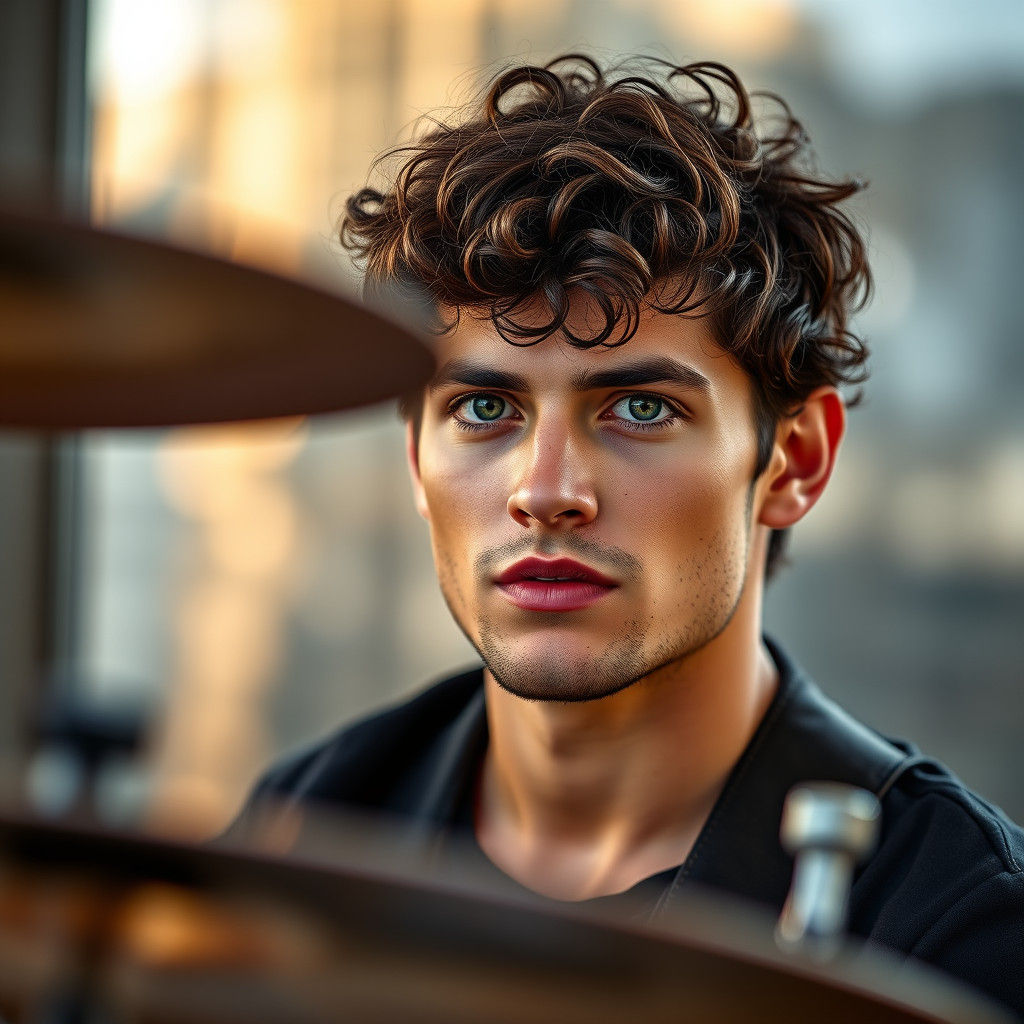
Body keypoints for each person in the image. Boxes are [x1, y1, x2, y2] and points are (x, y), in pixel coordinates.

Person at [237, 55, 1024, 1016]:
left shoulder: (960, 927)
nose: (545, 493)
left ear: (795, 460)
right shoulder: (304, 828)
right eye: (484, 408)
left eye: (641, 408)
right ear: (414, 458)